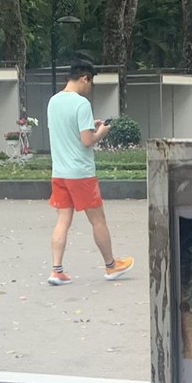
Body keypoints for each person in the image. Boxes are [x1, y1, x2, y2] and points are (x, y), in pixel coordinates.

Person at [44, 59, 132, 287]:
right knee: (98, 220)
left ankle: (56, 270)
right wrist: (101, 131)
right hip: (81, 173)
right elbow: (87, 140)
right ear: (84, 78)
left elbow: (66, 130)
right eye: (90, 82)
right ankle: (111, 265)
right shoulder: (81, 104)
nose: (90, 88)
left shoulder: (53, 101)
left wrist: (89, 124)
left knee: (63, 220)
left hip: (59, 172)